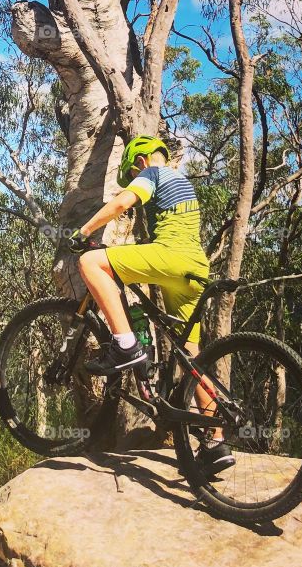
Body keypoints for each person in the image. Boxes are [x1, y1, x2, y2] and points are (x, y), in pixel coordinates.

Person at [68, 135, 234, 474]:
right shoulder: (183, 181)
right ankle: (216, 441)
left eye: (131, 173)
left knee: (90, 264)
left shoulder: (154, 174)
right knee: (191, 356)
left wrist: (83, 232)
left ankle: (126, 345)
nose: (133, 178)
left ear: (140, 161)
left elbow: (120, 204)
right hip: (195, 269)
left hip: (170, 258)